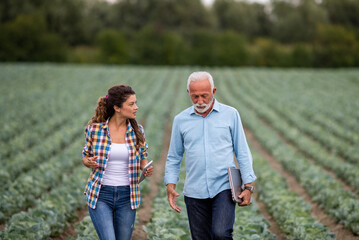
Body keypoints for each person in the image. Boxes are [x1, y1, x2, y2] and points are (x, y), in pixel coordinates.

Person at [164, 71, 256, 240]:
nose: (200, 101)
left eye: (204, 96)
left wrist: (248, 186)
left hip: (224, 186)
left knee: (221, 234)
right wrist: (170, 184)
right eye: (195, 96)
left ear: (213, 91)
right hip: (194, 189)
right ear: (188, 94)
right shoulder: (181, 120)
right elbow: (174, 156)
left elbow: (242, 151)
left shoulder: (231, 114)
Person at [82, 84, 153, 240]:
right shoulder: (94, 130)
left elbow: (143, 156)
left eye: (136, 103)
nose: (136, 107)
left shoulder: (137, 130)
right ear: (117, 108)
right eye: (131, 104)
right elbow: (85, 156)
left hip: (127, 196)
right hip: (101, 195)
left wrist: (145, 168)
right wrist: (90, 162)